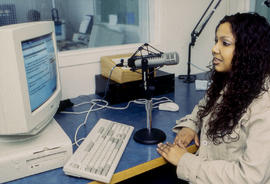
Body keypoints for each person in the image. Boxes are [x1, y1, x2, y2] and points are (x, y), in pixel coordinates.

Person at [157, 12, 270, 184]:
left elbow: (250, 177)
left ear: (249, 50)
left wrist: (185, 161)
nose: (214, 49)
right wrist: (191, 125)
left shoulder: (264, 104)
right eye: (216, 41)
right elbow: (205, 105)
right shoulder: (236, 79)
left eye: (225, 43)